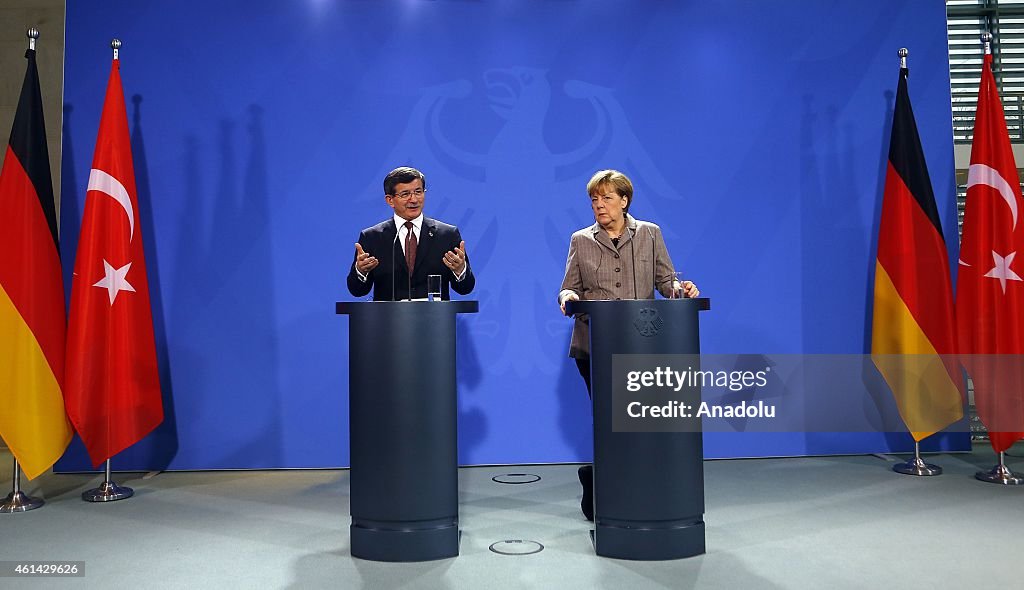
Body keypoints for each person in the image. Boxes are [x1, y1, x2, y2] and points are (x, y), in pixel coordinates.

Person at [558, 169, 699, 521]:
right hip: (594, 345)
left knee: (639, 420)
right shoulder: (581, 239)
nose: (599, 205)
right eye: (594, 199)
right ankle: (602, 485)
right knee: (609, 420)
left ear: (624, 201)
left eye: (606, 198)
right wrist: (568, 295)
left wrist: (682, 290)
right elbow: (568, 286)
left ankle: (634, 487)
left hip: (643, 346)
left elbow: (667, 281)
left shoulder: (650, 234)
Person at [347, 167, 475, 300]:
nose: (414, 199)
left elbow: (465, 288)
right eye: (405, 194)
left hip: (435, 319)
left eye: (418, 192)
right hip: (388, 319)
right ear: (390, 200)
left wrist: (460, 270)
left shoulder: (447, 235)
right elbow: (357, 291)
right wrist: (361, 271)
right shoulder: (372, 237)